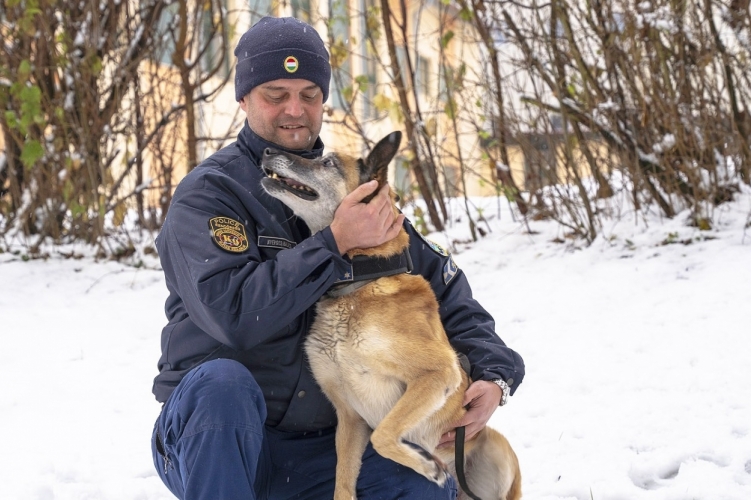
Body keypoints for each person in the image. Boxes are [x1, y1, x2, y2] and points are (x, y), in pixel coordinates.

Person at [151, 15, 524, 500]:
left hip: (321, 451)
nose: (295, 110)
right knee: (223, 384)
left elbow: (445, 293)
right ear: (243, 99)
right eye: (275, 94)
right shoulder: (210, 195)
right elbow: (235, 315)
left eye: (309, 94)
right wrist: (333, 245)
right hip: (219, 440)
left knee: (423, 481)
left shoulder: (355, 194)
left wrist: (494, 376)